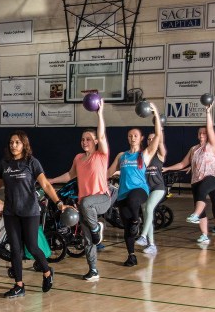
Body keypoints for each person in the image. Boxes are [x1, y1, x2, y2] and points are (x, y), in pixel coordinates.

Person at [0, 130, 67, 297]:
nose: (13, 145)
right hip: (11, 213)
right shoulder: (4, 164)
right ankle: (19, 285)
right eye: (11, 143)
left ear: (24, 145)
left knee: (32, 247)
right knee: (15, 249)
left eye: (17, 142)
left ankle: (47, 272)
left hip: (30, 212)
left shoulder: (32, 162)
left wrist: (58, 202)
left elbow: (46, 185)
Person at [48, 99, 110, 281]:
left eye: (89, 139)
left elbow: (102, 135)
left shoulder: (101, 155)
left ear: (96, 141)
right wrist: (51, 180)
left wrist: (99, 114)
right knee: (88, 239)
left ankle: (97, 227)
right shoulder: (78, 158)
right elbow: (69, 175)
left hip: (101, 199)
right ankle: (93, 271)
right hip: (85, 205)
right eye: (83, 139)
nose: (85, 142)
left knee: (85, 204)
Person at [107, 106, 163, 265]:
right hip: (123, 194)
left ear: (141, 138)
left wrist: (156, 114)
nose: (133, 137)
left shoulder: (144, 154)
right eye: (130, 135)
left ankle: (136, 221)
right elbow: (109, 172)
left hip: (140, 191)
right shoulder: (121, 156)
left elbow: (158, 135)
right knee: (127, 229)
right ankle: (131, 255)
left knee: (133, 200)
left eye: (136, 135)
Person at [163, 103, 215, 243]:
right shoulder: (194, 149)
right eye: (199, 132)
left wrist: (208, 113)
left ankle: (195, 214)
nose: (201, 135)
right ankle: (204, 235)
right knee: (201, 203)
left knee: (206, 194)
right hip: (196, 179)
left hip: (212, 177)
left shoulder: (212, 146)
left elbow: (210, 128)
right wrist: (168, 168)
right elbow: (182, 163)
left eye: (204, 132)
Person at [135, 124, 167, 255]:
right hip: (146, 189)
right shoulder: (143, 156)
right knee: (147, 214)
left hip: (158, 188)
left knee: (149, 209)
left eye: (153, 139)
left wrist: (159, 129)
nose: (150, 141)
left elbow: (161, 141)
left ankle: (143, 236)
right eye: (148, 139)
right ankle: (151, 244)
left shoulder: (160, 155)